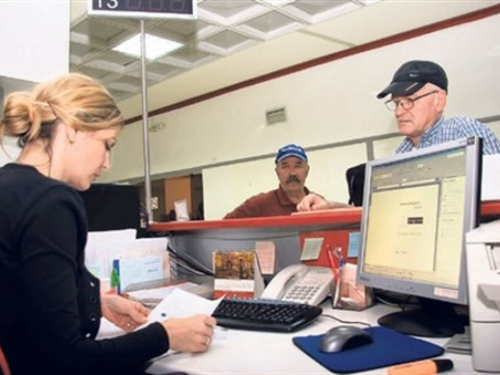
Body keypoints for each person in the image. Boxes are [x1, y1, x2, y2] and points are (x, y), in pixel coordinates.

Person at [0, 73, 216, 375]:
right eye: (108, 144)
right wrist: (165, 336)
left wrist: (95, 304)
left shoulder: (8, 187)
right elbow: (69, 357)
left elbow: (21, 298)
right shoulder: (52, 201)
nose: (107, 163)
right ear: (74, 129)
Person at [377, 59, 500, 154]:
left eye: (410, 100)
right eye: (397, 103)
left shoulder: (460, 130)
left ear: (439, 100)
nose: (398, 112)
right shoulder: (399, 153)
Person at [224, 143, 349, 218]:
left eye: (298, 165)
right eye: (285, 166)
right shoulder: (259, 204)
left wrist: (330, 205)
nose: (292, 172)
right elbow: (221, 227)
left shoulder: (317, 201)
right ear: (277, 172)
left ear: (307, 170)